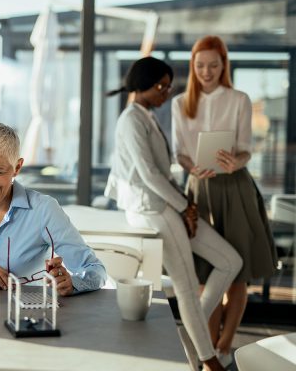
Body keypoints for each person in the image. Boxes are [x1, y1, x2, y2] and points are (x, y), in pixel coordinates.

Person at [105, 57, 242, 371]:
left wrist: (186, 206)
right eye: (161, 86)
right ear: (144, 85)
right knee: (188, 285)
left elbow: (161, 175)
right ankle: (209, 361)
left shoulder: (146, 116)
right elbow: (149, 175)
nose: (166, 93)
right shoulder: (131, 120)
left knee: (230, 261)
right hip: (151, 208)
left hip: (168, 204)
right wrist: (186, 208)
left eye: (167, 87)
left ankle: (189, 328)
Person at [172, 35, 277, 356]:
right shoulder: (179, 103)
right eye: (200, 65)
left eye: (213, 65)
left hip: (236, 189)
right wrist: (191, 168)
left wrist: (236, 161)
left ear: (223, 66)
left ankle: (226, 346)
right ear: (193, 66)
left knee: (237, 275)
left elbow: (246, 149)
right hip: (199, 190)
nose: (207, 71)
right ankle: (209, 349)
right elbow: (179, 153)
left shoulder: (239, 99)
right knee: (206, 276)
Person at [0, 122, 106, 296]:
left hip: (28, 314)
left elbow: (96, 270)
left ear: (17, 167)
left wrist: (72, 283)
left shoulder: (44, 210)